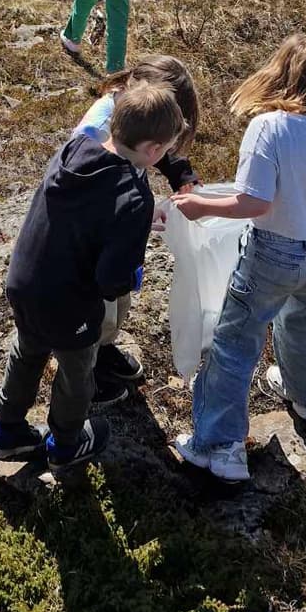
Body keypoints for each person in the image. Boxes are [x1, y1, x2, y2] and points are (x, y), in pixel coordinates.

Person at [173, 35, 306, 483]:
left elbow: (253, 203)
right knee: (305, 325)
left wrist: (200, 206)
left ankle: (219, 447)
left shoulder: (270, 127)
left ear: (282, 75)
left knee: (236, 342)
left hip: (272, 252)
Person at [0, 84, 185, 472]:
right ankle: (66, 444)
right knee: (78, 371)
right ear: (154, 150)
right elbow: (112, 280)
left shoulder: (74, 150)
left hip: (25, 283)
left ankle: (6, 432)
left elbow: (88, 212)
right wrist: (135, 265)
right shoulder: (133, 197)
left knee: (26, 352)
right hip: (69, 302)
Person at [75, 56, 202, 406]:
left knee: (117, 303)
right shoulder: (94, 132)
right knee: (95, 308)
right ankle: (85, 372)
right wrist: (137, 216)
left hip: (118, 237)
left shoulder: (136, 117)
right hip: (93, 246)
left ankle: (103, 348)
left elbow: (155, 148)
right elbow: (84, 200)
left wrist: (182, 175)